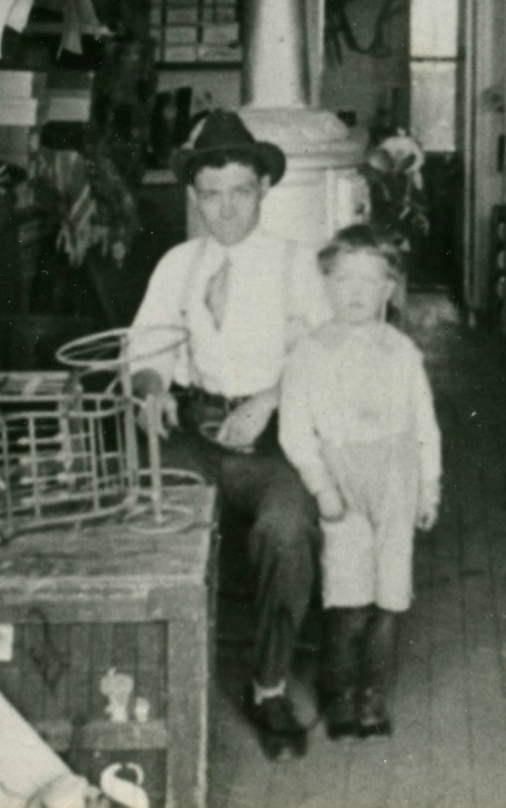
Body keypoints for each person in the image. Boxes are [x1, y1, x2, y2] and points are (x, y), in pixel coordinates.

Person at [128, 110, 333, 760]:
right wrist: (152, 386)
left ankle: (267, 684)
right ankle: (146, 673)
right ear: (195, 195)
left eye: (240, 191)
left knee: (285, 531)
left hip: (273, 445)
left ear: (263, 188)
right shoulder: (178, 264)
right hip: (193, 436)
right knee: (145, 519)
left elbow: (329, 354)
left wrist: (272, 399)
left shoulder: (295, 264)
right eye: (211, 194)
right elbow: (146, 345)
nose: (226, 209)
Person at [276, 225, 440, 741]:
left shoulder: (402, 351)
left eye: (370, 281)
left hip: (396, 480)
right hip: (342, 482)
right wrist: (321, 485)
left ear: (388, 289)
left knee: (389, 595)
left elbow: (424, 425)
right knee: (347, 596)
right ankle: (340, 693)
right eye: (344, 279)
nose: (356, 291)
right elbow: (294, 429)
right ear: (326, 283)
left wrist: (429, 487)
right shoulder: (310, 352)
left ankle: (373, 696)